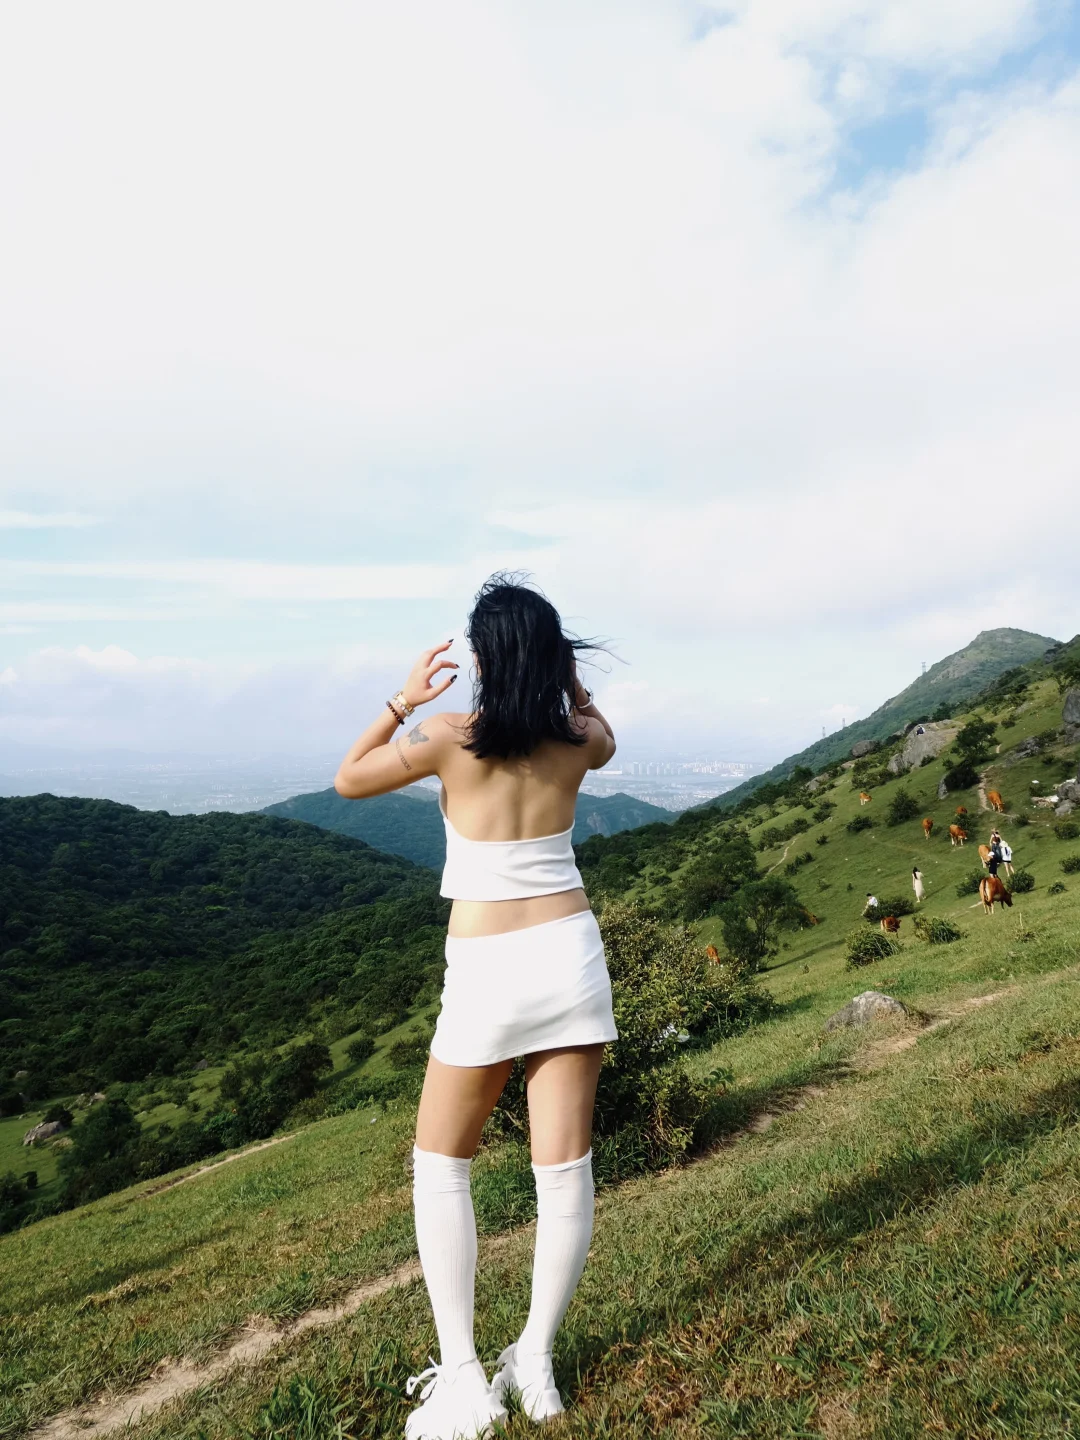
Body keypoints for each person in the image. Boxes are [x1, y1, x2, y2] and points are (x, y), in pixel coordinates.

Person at [334, 575, 618, 1440]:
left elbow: (348, 780)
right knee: (562, 1173)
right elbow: (604, 734)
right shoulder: (579, 740)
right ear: (554, 657)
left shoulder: (447, 737)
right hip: (571, 955)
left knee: (441, 1165)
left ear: (485, 659)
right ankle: (535, 1360)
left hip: (488, 968)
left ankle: (465, 1377)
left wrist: (402, 700)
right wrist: (571, 688)